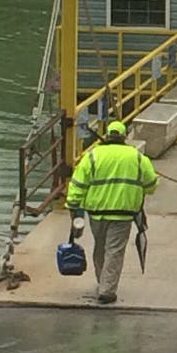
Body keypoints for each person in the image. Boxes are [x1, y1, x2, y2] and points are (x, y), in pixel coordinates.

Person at [65, 120, 158, 304]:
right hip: (123, 213)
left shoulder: (93, 155)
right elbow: (150, 184)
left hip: (97, 213)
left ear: (107, 135)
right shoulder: (137, 157)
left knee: (100, 247)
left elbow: (78, 183)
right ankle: (107, 289)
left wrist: (73, 206)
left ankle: (103, 282)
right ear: (124, 137)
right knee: (114, 251)